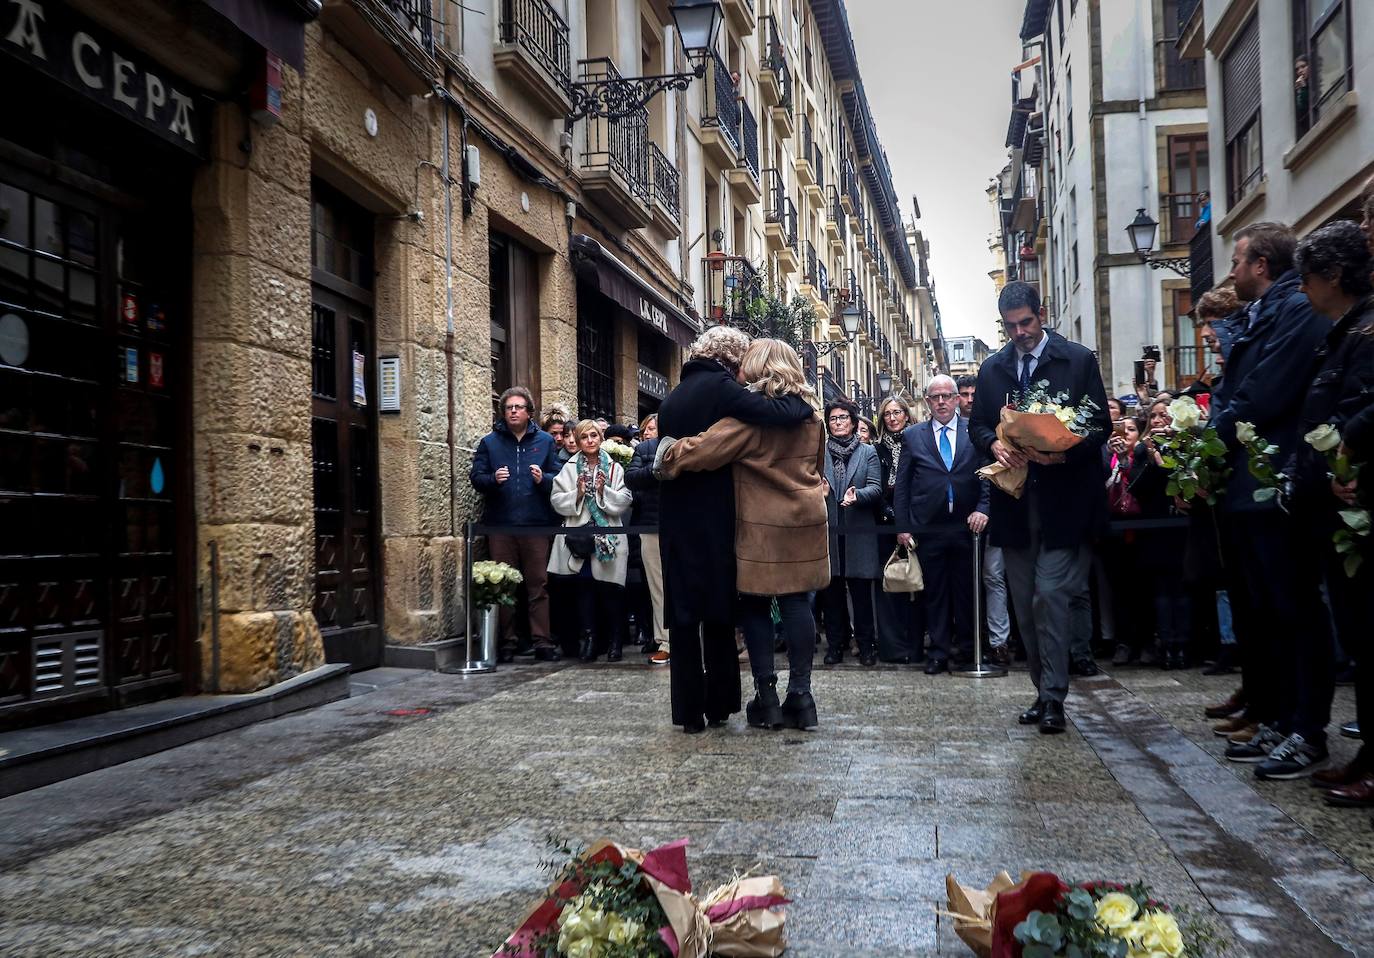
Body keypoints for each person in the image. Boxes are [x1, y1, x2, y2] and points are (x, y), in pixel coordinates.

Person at [1208, 222, 1333, 777]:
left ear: (1261, 264)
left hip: (1274, 480)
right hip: (1252, 483)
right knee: (1268, 611)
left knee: (1293, 611)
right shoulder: (1266, 314)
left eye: (1238, 260)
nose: (1231, 271)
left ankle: (1306, 729)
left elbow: (1263, 389)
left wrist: (1218, 431)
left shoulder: (1296, 312)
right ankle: (1282, 719)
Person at [656, 339, 830, 730]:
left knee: (755, 604)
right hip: (804, 521)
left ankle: (766, 699)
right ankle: (801, 696)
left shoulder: (750, 421)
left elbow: (699, 452)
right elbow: (819, 468)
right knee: (798, 602)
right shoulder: (812, 417)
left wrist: (663, 452)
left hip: (760, 526)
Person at [971, 281, 1111, 734]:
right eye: (1011, 326)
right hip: (1014, 507)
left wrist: (1061, 453)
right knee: (1025, 608)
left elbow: (1099, 425)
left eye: (1026, 322)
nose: (1020, 333)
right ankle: (1042, 691)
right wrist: (993, 443)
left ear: (1042, 313)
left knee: (1050, 598)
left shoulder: (1077, 360)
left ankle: (1054, 696)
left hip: (1065, 504)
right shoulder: (992, 370)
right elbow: (976, 427)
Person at [1289, 222, 1374, 798]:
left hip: (1356, 506)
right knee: (1360, 634)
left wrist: (1347, 448)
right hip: (1337, 507)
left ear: (1334, 276)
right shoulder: (1343, 331)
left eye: (1309, 277)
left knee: (1368, 634)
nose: (1304, 288)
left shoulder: (1365, 332)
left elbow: (1364, 405)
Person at [894, 375, 990, 674]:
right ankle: (937, 652)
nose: (941, 402)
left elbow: (988, 473)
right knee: (934, 593)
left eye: (947, 396)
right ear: (927, 401)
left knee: (967, 593)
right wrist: (903, 526)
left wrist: (983, 508)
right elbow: (903, 486)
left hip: (967, 528)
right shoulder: (913, 435)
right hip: (929, 527)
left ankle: (967, 650)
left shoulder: (974, 431)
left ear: (957, 399)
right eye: (935, 397)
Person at [469, 386, 565, 662]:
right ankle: (508, 643)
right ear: (503, 412)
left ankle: (542, 642)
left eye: (518, 407)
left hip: (536, 525)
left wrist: (542, 479)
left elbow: (558, 478)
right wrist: (492, 480)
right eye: (509, 407)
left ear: (529, 412)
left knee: (539, 585)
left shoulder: (546, 441)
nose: (513, 411)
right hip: (501, 526)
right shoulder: (490, 443)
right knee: (505, 587)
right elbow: (477, 477)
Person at [548, 419, 634, 663]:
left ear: (600, 438)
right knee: (584, 589)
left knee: (611, 591)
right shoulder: (569, 467)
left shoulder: (615, 468)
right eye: (584, 436)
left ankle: (615, 642)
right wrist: (577, 493)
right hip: (580, 538)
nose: (589, 441)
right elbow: (556, 499)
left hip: (609, 538)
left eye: (594, 435)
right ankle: (589, 640)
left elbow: (625, 498)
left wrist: (601, 491)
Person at [821, 399, 883, 666]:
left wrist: (858, 495)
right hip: (829, 533)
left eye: (843, 417)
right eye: (833, 419)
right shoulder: (818, 453)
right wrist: (818, 494)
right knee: (831, 593)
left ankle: (866, 645)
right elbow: (809, 484)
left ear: (854, 422)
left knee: (860, 593)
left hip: (859, 531)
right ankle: (835, 645)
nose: (838, 423)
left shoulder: (867, 451)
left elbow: (876, 487)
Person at [874, 395, 926, 664]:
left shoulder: (919, 442)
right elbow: (874, 485)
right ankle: (892, 648)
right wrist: (891, 515)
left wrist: (908, 520)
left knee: (915, 585)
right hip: (885, 525)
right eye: (887, 414)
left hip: (915, 524)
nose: (892, 418)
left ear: (907, 414)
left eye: (897, 412)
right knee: (890, 584)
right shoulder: (875, 449)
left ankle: (915, 646)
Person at [963, 376, 1012, 664]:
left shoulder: (993, 429)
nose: (969, 399)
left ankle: (999, 641)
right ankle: (971, 638)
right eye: (964, 394)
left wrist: (985, 507)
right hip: (961, 520)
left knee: (993, 577)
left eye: (973, 394)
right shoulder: (955, 430)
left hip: (995, 516)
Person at [625, 414, 669, 665]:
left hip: (684, 525)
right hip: (651, 525)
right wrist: (657, 471)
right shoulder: (645, 448)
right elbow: (631, 478)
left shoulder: (687, 443)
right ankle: (665, 642)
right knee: (658, 588)